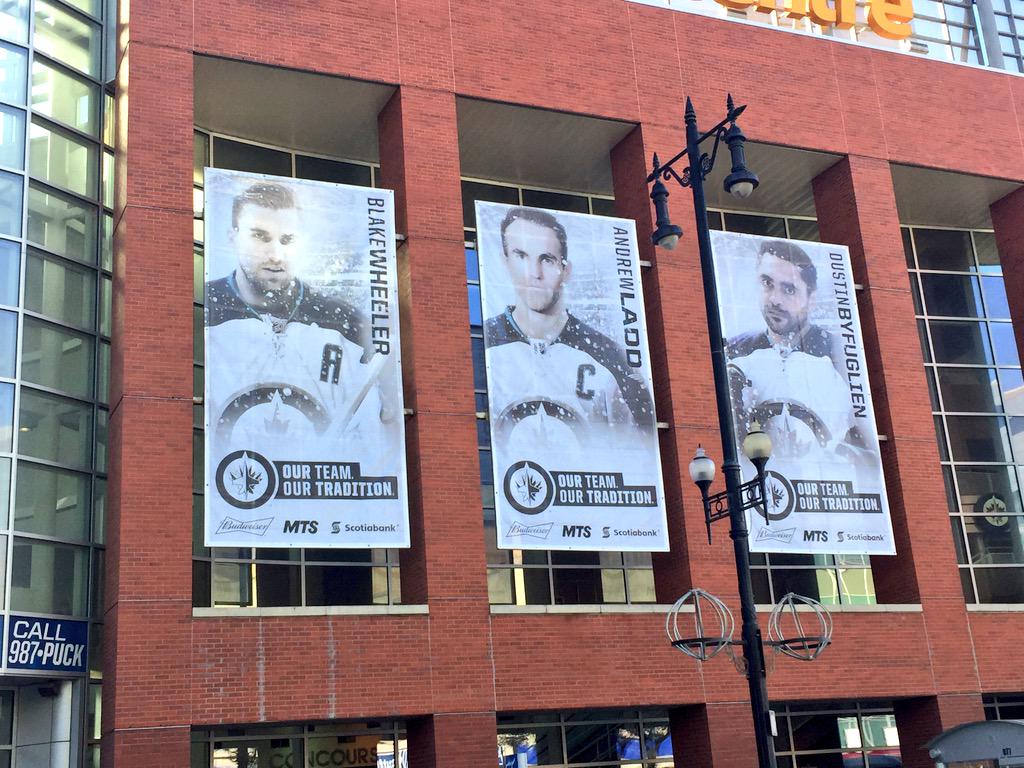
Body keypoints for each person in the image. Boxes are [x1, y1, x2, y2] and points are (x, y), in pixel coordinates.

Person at [205, 181, 385, 449]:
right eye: (260, 236)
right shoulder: (204, 308)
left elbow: (372, 430)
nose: (276, 255)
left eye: (287, 240)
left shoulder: (347, 322)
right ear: (233, 237)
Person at [483, 206, 655, 454]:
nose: (534, 274)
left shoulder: (608, 356)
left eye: (547, 259)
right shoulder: (482, 343)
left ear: (566, 270)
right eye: (521, 255)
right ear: (505, 261)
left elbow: (639, 450)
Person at [724, 239, 860, 463]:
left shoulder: (838, 355)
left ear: (811, 299)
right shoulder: (734, 351)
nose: (775, 299)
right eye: (767, 283)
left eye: (789, 289)